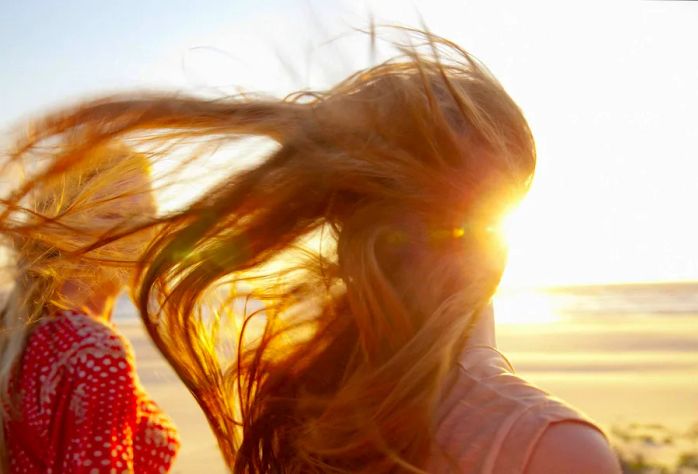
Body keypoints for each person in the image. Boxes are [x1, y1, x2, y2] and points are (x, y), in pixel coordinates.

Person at [1, 29, 619, 473]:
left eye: (146, 210)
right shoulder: (553, 448)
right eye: (123, 215)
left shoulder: (298, 407)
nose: (148, 229)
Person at [0, 145, 180, 472]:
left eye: (147, 216)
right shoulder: (96, 351)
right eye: (113, 217)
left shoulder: (27, 335)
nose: (140, 235)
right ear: (62, 230)